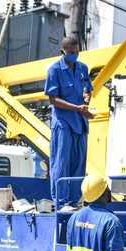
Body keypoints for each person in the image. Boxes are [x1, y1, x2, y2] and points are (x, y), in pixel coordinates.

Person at [45, 36, 95, 211]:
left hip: (80, 121)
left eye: (77, 52)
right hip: (64, 122)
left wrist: (87, 99)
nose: (75, 55)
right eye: (71, 53)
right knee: (61, 161)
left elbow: (88, 89)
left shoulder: (83, 68)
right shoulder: (54, 70)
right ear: (63, 51)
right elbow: (53, 99)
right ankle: (61, 202)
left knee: (79, 162)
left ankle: (74, 201)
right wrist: (76, 107)